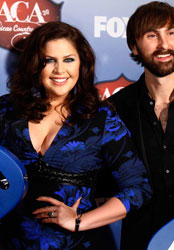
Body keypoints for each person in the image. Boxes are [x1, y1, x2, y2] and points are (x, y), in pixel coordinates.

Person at [0, 21, 151, 250]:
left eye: (68, 59)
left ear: (82, 64)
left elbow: (139, 188)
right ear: (34, 65)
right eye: (49, 60)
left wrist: (80, 221)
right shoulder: (6, 111)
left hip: (78, 245)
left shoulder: (101, 119)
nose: (60, 70)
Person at [109, 1, 174, 250]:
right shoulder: (115, 109)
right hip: (141, 240)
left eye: (171, 33)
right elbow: (104, 185)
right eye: (152, 35)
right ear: (134, 46)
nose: (164, 45)